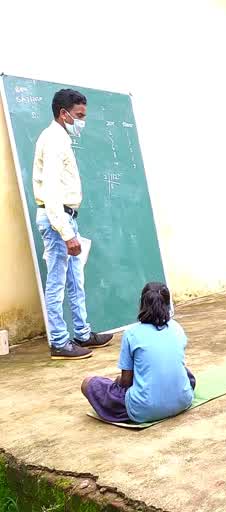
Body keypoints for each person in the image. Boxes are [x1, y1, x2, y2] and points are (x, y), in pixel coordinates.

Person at [34, 89, 113, 360]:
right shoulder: (54, 141)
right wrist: (66, 233)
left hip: (66, 218)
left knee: (75, 280)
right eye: (79, 116)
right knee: (57, 282)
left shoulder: (61, 139)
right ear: (63, 113)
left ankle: (82, 333)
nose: (82, 122)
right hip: (58, 220)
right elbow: (52, 191)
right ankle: (59, 341)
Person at [81, 283, 195, 424]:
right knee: (183, 373)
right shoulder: (177, 327)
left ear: (142, 304)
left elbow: (126, 382)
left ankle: (146, 405)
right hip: (183, 400)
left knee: (88, 383)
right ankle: (172, 395)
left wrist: (118, 381)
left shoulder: (131, 334)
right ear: (167, 304)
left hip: (145, 408)